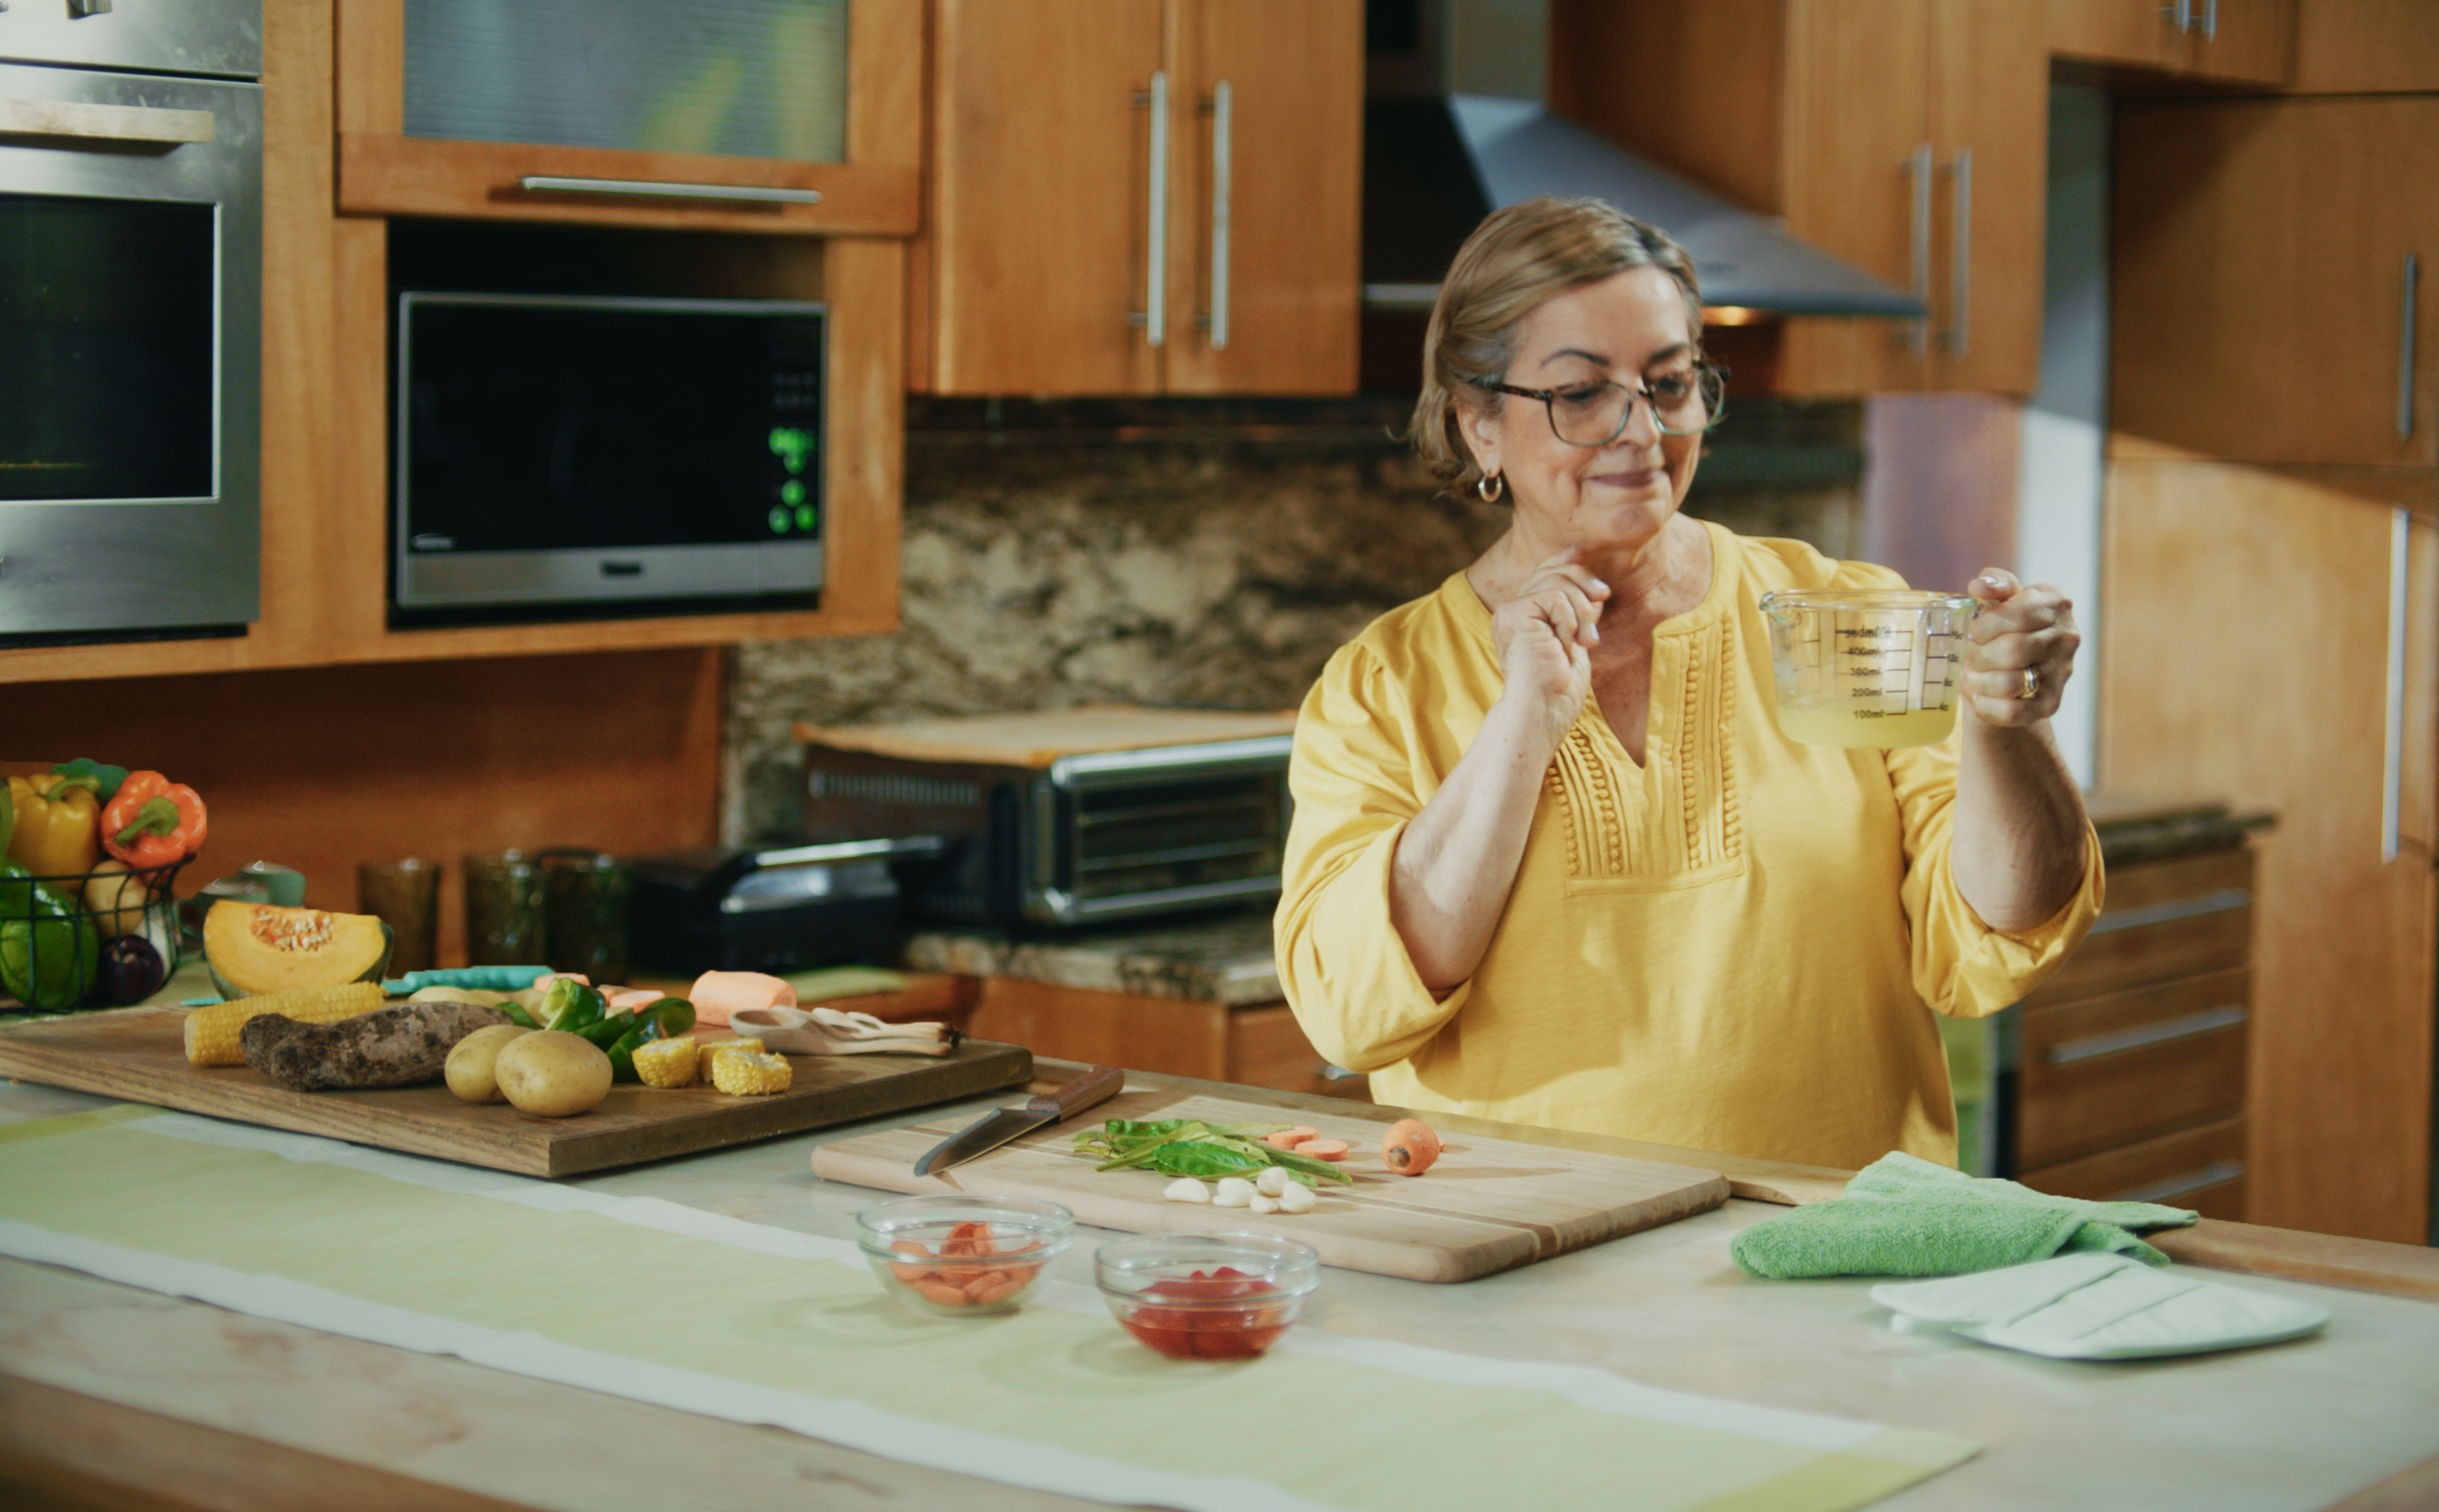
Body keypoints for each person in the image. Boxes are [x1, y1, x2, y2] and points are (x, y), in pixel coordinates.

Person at [1274, 198, 2101, 1171]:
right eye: (1581, 394)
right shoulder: (1386, 683)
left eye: (1668, 383)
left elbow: (2000, 925)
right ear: (1479, 424)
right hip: (1528, 1259)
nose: (1641, 430)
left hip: (1836, 1242)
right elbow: (1349, 1011)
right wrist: (1521, 723)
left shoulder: (1839, 615)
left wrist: (2010, 723)